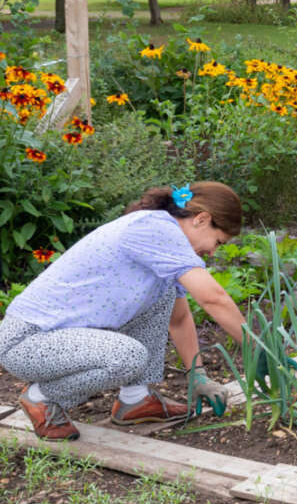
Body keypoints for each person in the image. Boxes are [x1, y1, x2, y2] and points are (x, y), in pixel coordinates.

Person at [0, 182, 246, 441]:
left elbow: (179, 317)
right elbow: (213, 298)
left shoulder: (166, 244)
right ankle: (42, 397)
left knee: (163, 294)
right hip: (26, 342)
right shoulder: (155, 229)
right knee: (128, 356)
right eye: (218, 241)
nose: (213, 251)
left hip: (57, 340)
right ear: (201, 219)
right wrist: (258, 346)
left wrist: (198, 376)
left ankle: (135, 399)